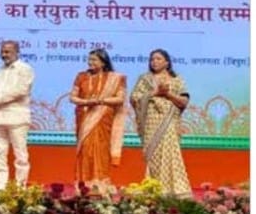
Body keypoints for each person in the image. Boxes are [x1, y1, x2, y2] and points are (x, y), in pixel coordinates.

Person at [130, 49, 192, 197]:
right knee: (153, 155)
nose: (154, 62)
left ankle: (174, 190)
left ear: (167, 62)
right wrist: (155, 93)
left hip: (169, 121)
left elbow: (183, 102)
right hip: (150, 122)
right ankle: (154, 188)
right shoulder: (145, 79)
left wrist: (167, 94)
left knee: (170, 153)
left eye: (158, 59)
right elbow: (134, 98)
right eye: (152, 59)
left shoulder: (177, 80)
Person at [0, 40, 34, 189]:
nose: (4, 55)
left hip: (17, 118)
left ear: (17, 52)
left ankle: (20, 187)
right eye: (2, 52)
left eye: (7, 52)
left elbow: (20, 91)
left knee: (20, 154)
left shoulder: (25, 69)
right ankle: (0, 186)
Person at [69, 49, 126, 192]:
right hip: (85, 116)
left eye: (94, 60)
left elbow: (120, 98)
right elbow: (72, 97)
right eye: (89, 59)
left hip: (103, 118)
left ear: (103, 62)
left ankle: (100, 183)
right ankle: (84, 183)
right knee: (85, 149)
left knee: (101, 149)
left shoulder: (115, 78)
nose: (90, 62)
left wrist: (101, 101)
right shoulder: (81, 76)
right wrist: (87, 102)